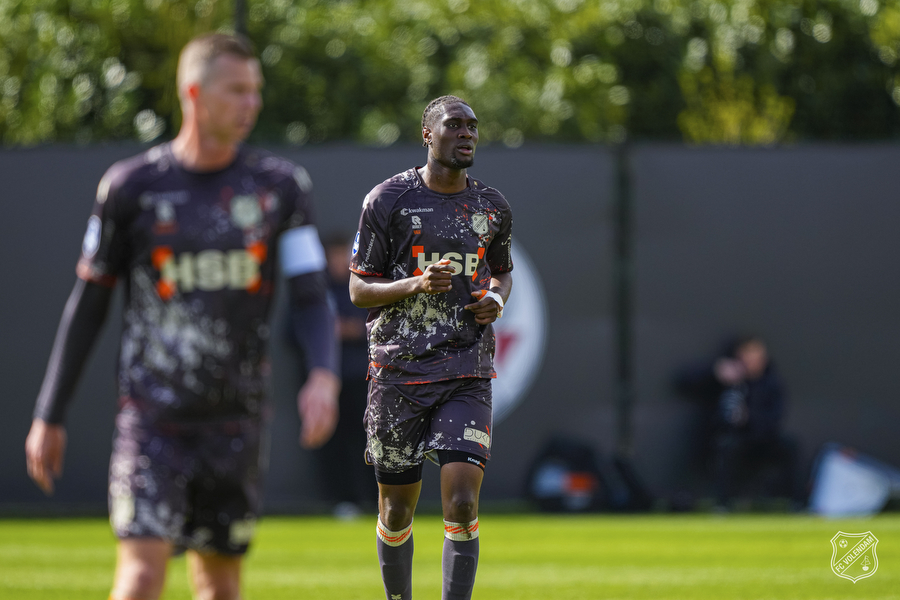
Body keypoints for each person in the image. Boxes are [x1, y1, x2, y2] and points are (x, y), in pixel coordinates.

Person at [24, 33, 340, 600]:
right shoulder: (132, 187)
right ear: (194, 93)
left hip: (236, 421)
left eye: (255, 90)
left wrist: (324, 374)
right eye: (237, 90)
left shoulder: (279, 188)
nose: (252, 103)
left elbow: (312, 295)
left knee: (219, 585)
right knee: (141, 578)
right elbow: (90, 303)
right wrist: (50, 412)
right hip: (152, 419)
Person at [349, 95, 513, 600]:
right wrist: (415, 285)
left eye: (473, 126)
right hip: (398, 372)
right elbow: (358, 289)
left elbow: (502, 272)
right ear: (427, 134)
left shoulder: (492, 206)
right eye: (454, 125)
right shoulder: (388, 199)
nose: (467, 134)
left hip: (466, 368)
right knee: (396, 510)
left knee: (461, 503)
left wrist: (495, 299)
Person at [290, 232, 377, 517]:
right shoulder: (313, 295)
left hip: (366, 381)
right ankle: (342, 500)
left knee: (371, 441)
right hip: (329, 384)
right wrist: (326, 336)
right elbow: (293, 330)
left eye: (345, 255)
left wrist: (356, 329)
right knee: (333, 443)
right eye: (334, 256)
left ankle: (377, 499)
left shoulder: (368, 287)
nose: (340, 262)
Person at [675, 335, 800, 509]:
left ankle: (795, 502)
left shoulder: (771, 383)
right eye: (747, 355)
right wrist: (715, 372)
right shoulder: (725, 380)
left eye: (757, 355)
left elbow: (774, 418)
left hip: (761, 437)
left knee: (790, 446)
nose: (752, 361)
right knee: (726, 446)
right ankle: (722, 505)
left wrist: (749, 418)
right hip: (730, 437)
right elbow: (685, 380)